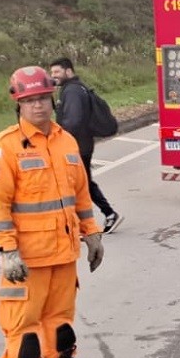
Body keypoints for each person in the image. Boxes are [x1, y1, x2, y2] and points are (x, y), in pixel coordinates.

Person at [0, 66, 105, 358]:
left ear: (52, 98)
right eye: (30, 100)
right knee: (23, 331)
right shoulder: (4, 147)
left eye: (42, 98)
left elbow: (80, 194)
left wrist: (92, 233)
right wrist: (8, 250)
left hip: (64, 254)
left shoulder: (66, 141)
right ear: (18, 103)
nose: (38, 106)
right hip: (27, 259)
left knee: (60, 325)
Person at [48, 57, 122, 234]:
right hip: (81, 144)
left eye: (57, 72)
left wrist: (58, 140)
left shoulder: (72, 91)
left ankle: (95, 219)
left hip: (77, 146)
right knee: (83, 183)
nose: (53, 76)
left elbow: (73, 121)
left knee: (78, 184)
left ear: (68, 71)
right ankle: (106, 214)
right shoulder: (73, 88)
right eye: (51, 73)